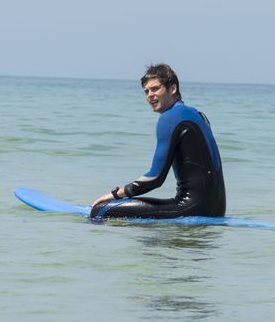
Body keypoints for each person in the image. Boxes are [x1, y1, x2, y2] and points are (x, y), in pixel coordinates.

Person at [90, 64, 226, 220]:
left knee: (100, 211)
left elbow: (155, 179)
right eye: (146, 91)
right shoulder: (198, 115)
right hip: (217, 210)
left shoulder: (170, 117)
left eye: (155, 89)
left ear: (173, 88)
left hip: (190, 208)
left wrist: (115, 194)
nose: (149, 95)